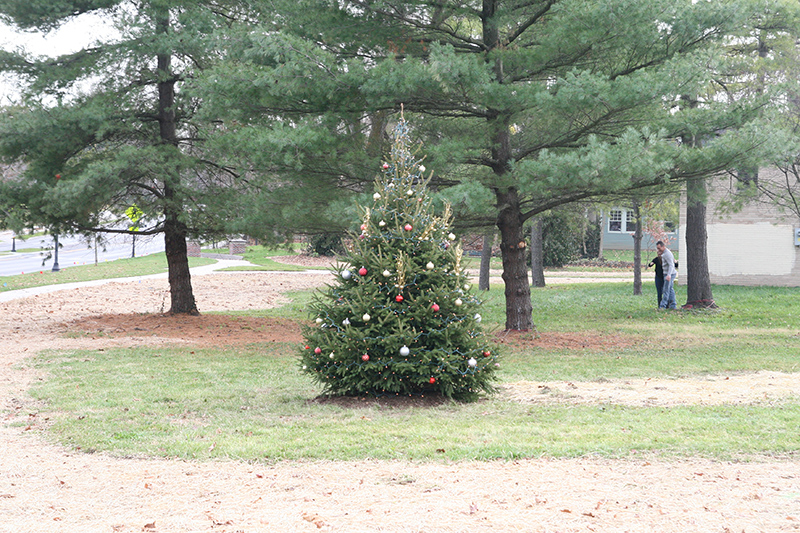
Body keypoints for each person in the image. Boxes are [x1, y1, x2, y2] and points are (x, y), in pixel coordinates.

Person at [656, 240, 677, 309]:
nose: (658, 250)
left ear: (663, 246)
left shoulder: (667, 254)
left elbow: (671, 265)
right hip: (667, 273)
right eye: (657, 248)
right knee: (670, 289)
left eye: (659, 248)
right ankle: (673, 305)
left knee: (666, 290)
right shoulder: (664, 253)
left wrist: (669, 275)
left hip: (669, 274)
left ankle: (663, 306)